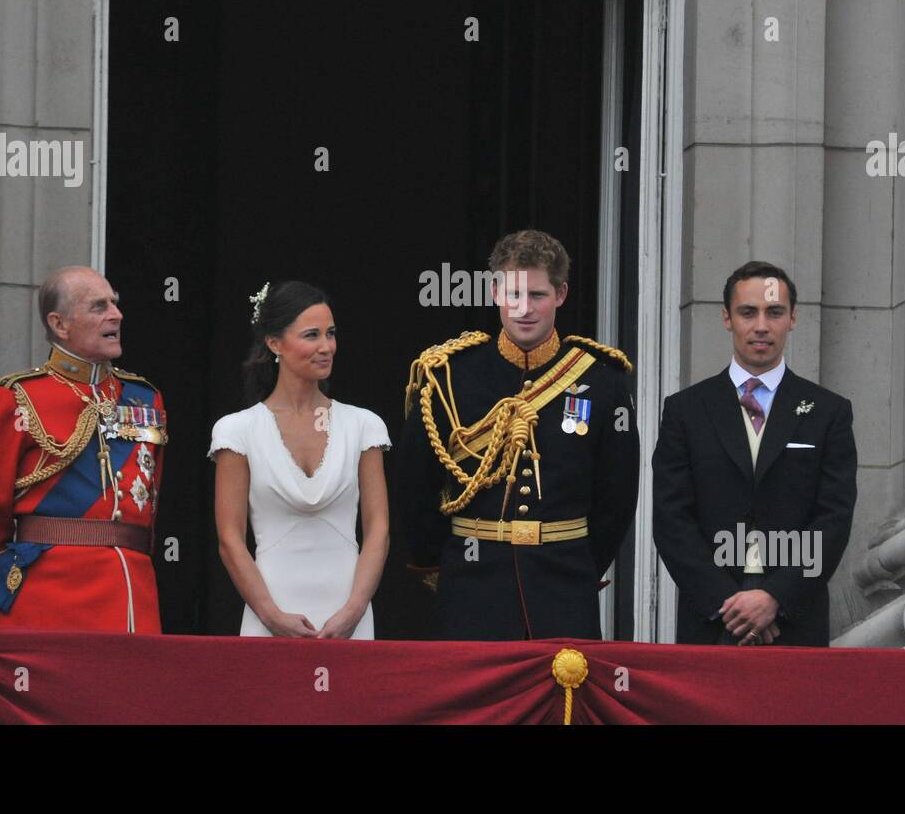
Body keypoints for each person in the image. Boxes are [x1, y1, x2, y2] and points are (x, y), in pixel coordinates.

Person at [398, 230, 640, 641]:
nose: (524, 309)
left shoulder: (602, 380)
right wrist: (445, 564)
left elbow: (616, 496)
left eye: (538, 295)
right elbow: (414, 485)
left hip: (563, 589)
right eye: (513, 294)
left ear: (561, 294)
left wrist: (580, 565)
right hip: (472, 588)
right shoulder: (449, 376)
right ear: (494, 292)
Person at [652, 261, 857, 647]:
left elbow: (834, 518)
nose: (761, 325)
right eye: (748, 312)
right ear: (727, 318)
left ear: (792, 318)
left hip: (796, 625)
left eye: (774, 312)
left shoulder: (829, 411)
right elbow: (671, 518)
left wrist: (775, 597)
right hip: (710, 625)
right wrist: (727, 605)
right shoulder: (685, 411)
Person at [0, 267, 166, 632]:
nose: (116, 314)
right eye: (99, 307)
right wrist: (7, 586)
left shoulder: (145, 398)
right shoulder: (18, 398)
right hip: (46, 599)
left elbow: (149, 503)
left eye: (114, 303)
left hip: (132, 593)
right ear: (60, 324)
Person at [211, 281, 389, 639]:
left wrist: (353, 612)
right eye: (312, 335)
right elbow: (230, 538)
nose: (326, 347)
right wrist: (271, 616)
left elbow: (378, 529)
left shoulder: (363, 425)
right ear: (274, 342)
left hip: (350, 618)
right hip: (269, 619)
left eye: (331, 334)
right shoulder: (237, 430)